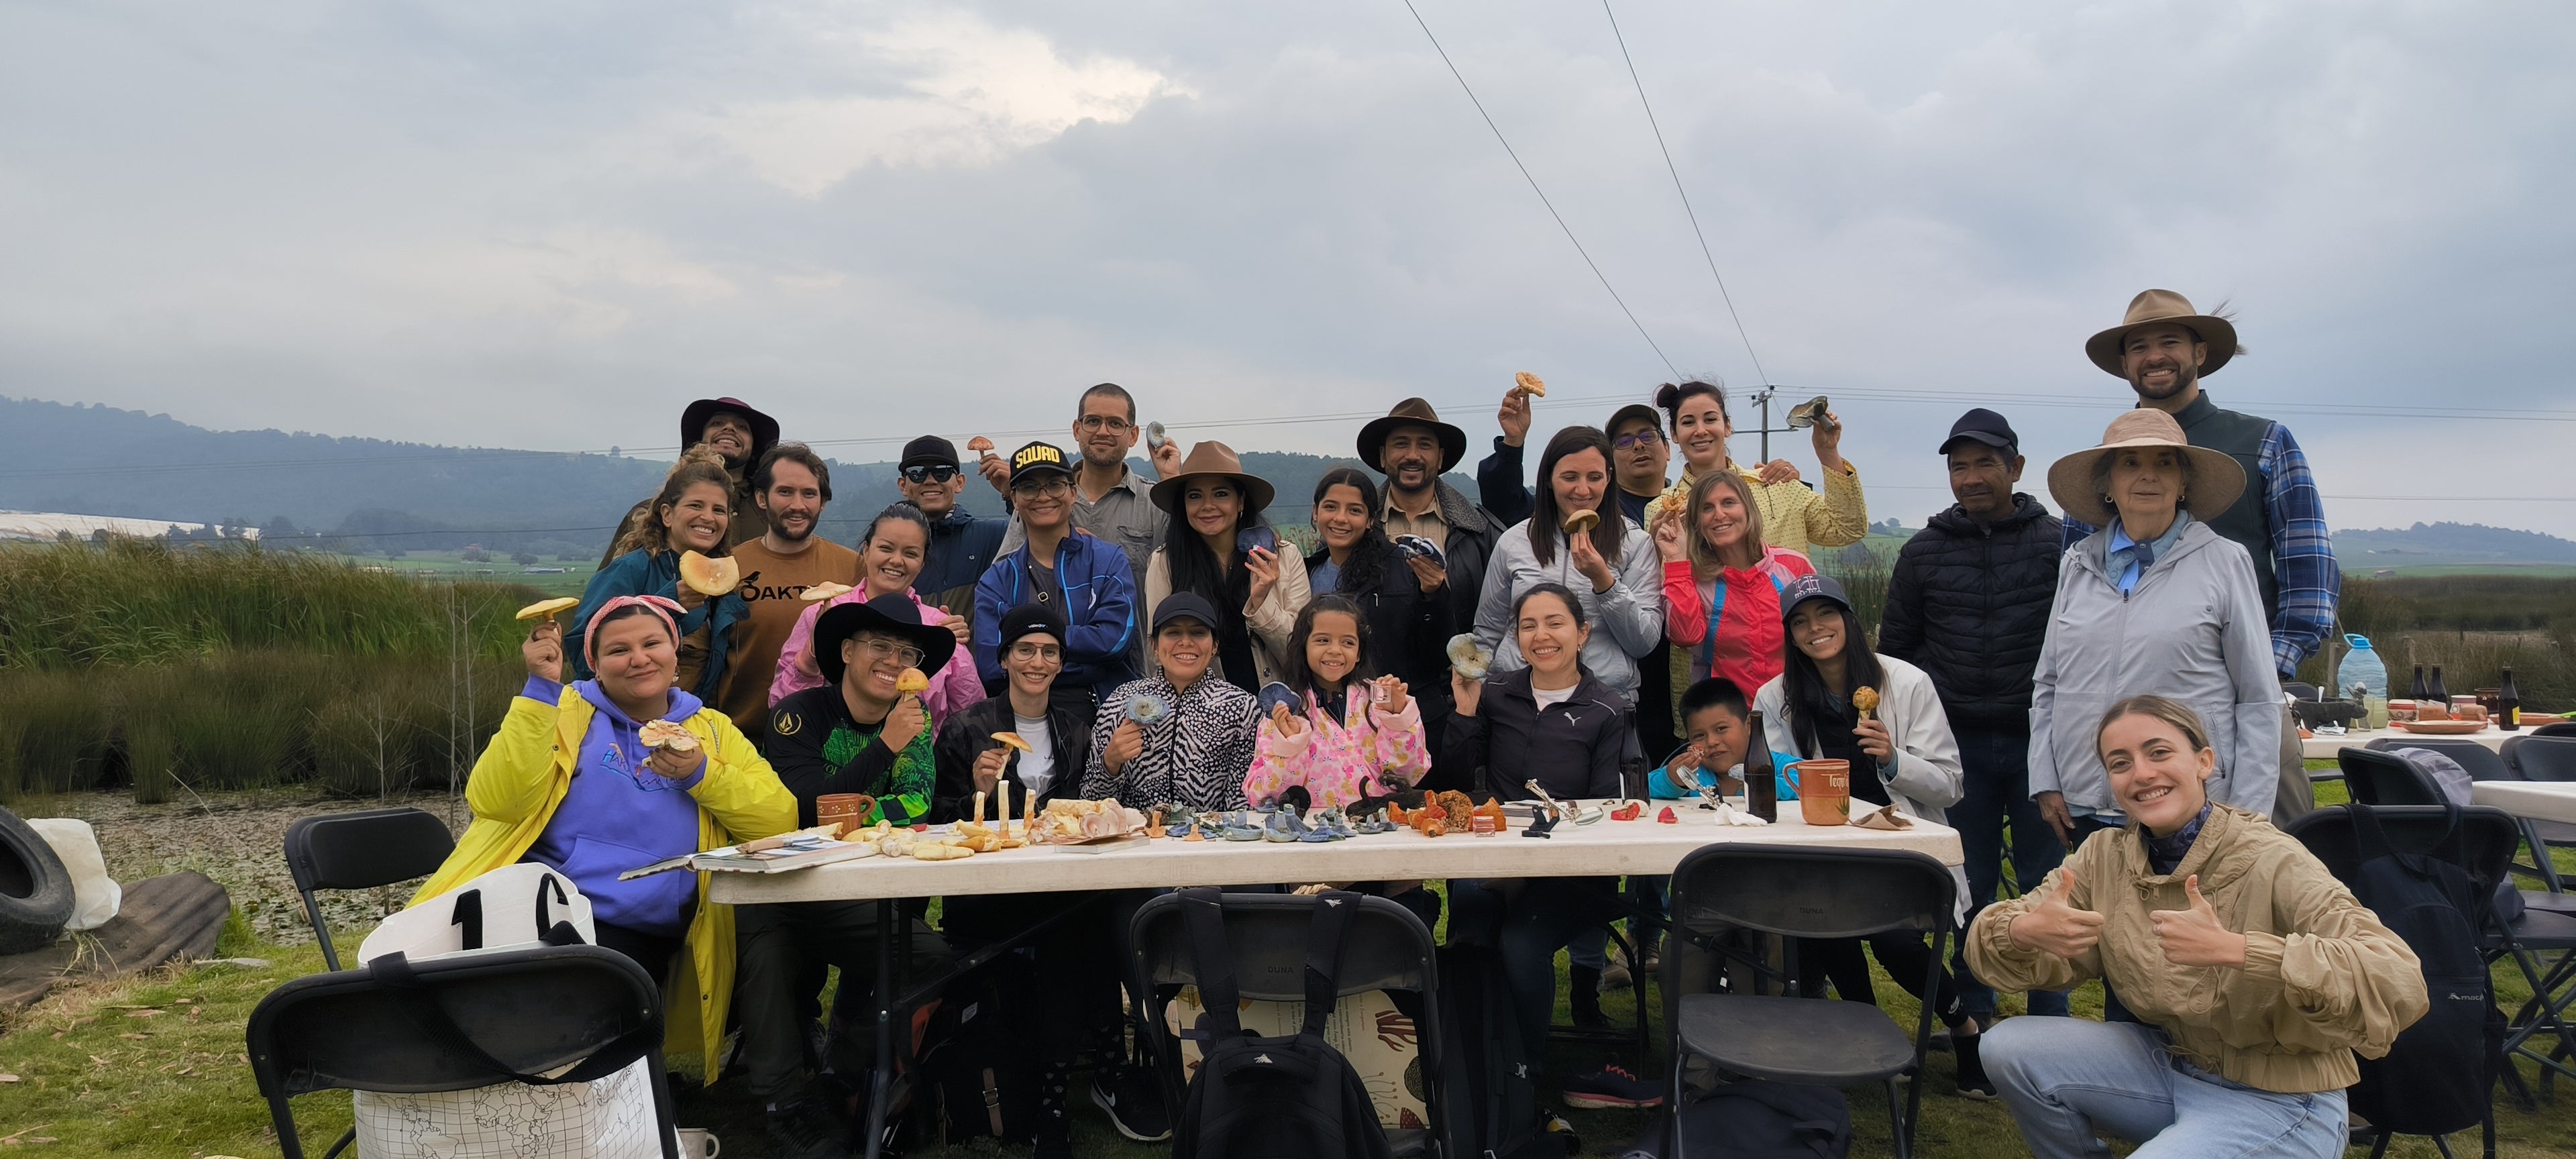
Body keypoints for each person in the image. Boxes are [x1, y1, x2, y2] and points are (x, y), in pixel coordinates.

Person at [1967, 696, 2427, 1159]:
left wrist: (2241, 950)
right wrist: (2021, 932)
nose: (2142, 773)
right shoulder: (2103, 857)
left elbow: (2397, 977)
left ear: (2204, 762)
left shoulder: (2272, 857)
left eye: (2159, 752)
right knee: (2008, 1046)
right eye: (2121, 762)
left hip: (2284, 1102)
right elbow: (1988, 941)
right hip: (2173, 1068)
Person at [410, 594, 796, 1082]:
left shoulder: (712, 731)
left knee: (770, 944)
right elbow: (497, 801)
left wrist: (702, 773)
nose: (639, 659)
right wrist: (539, 691)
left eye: (652, 643)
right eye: (618, 650)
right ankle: (583, 1096)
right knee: (576, 1001)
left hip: (655, 922)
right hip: (561, 910)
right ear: (594, 664)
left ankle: (639, 1091)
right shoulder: (563, 709)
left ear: (675, 653)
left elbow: (779, 819)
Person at [2074, 290, 2339, 823]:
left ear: (2200, 353)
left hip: (2244, 706)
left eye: (2169, 341)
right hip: (2124, 714)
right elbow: (2078, 581)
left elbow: (2309, 575)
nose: (2155, 356)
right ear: (2124, 364)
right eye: (2140, 346)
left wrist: (2261, 670)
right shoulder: (2103, 460)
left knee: (2267, 848)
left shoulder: (2264, 442)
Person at [1877, 408, 2072, 1028]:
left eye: (1985, 462)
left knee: (2051, 882)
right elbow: (1899, 654)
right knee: (1967, 881)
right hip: (1955, 746)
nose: (1970, 477)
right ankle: (1978, 1012)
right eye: (1958, 466)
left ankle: (2050, 1014)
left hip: (2043, 744)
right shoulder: (1923, 552)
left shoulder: (2060, 544)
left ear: (2016, 467)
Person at [1751, 573, 1982, 1093]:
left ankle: (1964, 1027)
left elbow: (1950, 786)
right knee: (1824, 927)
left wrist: (1894, 759)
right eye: (1801, 623)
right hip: (1823, 849)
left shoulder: (1906, 683)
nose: (1816, 630)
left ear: (1849, 621)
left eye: (1826, 615)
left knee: (1895, 940)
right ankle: (1871, 1043)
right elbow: (1776, 779)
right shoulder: (1775, 697)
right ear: (1790, 636)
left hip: (1896, 845)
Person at [748, 594, 959, 1155]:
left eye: (907, 651)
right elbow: (806, 805)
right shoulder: (798, 715)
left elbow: (918, 806)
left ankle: (840, 1072)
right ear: (846, 651)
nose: (893, 660)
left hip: (860, 896)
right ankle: (784, 1102)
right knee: (769, 953)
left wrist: (859, 808)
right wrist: (885, 749)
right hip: (791, 889)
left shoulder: (916, 720)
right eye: (879, 645)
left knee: (933, 959)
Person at [930, 603, 1140, 1157]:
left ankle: (1057, 1096)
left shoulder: (1074, 729)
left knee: (1083, 928)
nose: (1037, 660)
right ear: (1004, 658)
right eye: (1025, 649)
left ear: (1060, 664)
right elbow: (939, 821)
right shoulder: (967, 726)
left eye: (1049, 652)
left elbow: (1084, 808)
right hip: (989, 896)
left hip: (1058, 889)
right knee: (1073, 939)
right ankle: (1093, 1074)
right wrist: (976, 791)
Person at [1446, 584, 1656, 1113]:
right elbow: (1451, 779)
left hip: (1574, 874)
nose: (1542, 635)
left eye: (1555, 623)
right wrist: (1467, 715)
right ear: (1516, 638)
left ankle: (1525, 1071)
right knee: (1470, 933)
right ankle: (1469, 1060)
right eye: (1529, 625)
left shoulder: (1607, 709)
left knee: (1521, 943)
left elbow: (1614, 811)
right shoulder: (1495, 694)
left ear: (1582, 633)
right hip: (1493, 858)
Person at [2031, 409, 2280, 850]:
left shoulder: (2224, 562)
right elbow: (2049, 682)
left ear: (2184, 483)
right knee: (2090, 922)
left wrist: (2247, 815)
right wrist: (2047, 782)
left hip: (2188, 810)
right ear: (2107, 484)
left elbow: (2258, 697)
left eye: (2164, 462)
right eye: (2130, 463)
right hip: (2083, 810)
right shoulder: (2077, 563)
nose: (2148, 476)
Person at [1472, 426, 1663, 708]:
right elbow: (1487, 633)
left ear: (1609, 478)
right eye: (1570, 477)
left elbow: (1643, 642)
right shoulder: (1513, 541)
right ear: (1549, 479)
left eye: (1595, 477)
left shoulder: (1635, 542)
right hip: (1517, 702)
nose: (1583, 490)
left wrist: (1605, 583)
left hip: (1604, 704)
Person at [771, 504, 981, 726]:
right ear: (866, 550)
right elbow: (781, 710)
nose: (897, 561)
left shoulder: (940, 629)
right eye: (886, 548)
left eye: (910, 553)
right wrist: (809, 660)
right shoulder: (826, 614)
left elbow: (969, 717)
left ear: (922, 563)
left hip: (922, 758)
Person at [974, 441, 1139, 720]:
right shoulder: (996, 581)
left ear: (1073, 493)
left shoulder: (1109, 560)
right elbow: (992, 669)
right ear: (1014, 499)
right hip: (1025, 722)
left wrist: (1028, 648)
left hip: (1107, 718)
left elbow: (1114, 643)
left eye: (1054, 485)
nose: (1043, 496)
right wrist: (1086, 657)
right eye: (1028, 487)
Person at [572, 447, 749, 702]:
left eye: (719, 510)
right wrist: (665, 604)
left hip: (688, 721)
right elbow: (583, 654)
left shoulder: (723, 581)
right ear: (667, 514)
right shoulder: (630, 569)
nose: (708, 517)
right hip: (622, 721)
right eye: (696, 505)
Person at [996, 383, 1183, 614]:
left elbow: (1186, 570)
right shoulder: (1042, 501)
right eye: (1093, 421)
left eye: (1115, 424)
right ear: (1077, 429)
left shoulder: (1155, 501)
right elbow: (1002, 576)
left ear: (1133, 435)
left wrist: (1172, 481)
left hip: (1133, 647)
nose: (1103, 432)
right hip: (1051, 645)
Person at [1142, 441, 1310, 691]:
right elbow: (1158, 654)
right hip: (1204, 715)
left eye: (1221, 494)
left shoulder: (1284, 557)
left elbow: (1303, 654)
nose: (1207, 505)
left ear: (1240, 502)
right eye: (1195, 496)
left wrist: (1262, 604)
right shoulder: (1166, 562)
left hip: (1277, 713)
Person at [717, 443, 859, 733]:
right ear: (761, 498)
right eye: (785, 492)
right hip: (742, 735)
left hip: (828, 738)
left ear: (823, 502)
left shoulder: (853, 567)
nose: (798, 505)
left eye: (809, 494)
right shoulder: (729, 566)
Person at [1637, 380, 1866, 555]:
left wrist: (1828, 453)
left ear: (1728, 427)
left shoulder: (1776, 485)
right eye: (1688, 422)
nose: (1700, 430)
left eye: (1710, 419)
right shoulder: (1662, 509)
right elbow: (1657, 588)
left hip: (1785, 616)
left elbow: (1847, 530)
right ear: (1675, 434)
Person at [1244, 596, 1429, 810]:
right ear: (1303, 646)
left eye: (1348, 642)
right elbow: (1262, 795)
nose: (1335, 650)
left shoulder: (1380, 700)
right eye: (1323, 640)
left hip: (1381, 831)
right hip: (1313, 833)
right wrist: (1289, 743)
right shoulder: (1285, 710)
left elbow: (1410, 775)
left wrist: (1398, 719)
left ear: (1359, 653)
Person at [1081, 593, 1258, 812]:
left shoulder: (1241, 707)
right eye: (1173, 632)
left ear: (1215, 646)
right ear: (1155, 646)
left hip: (1210, 840)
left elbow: (1244, 805)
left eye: (1198, 632)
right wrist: (1110, 763)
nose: (1185, 641)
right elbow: (1090, 807)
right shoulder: (1120, 702)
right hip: (1138, 840)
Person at [1356, 396, 1503, 659]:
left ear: (1440, 458)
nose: (1413, 456)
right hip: (1372, 687)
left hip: (1457, 686)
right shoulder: (1355, 530)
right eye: (1401, 444)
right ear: (1382, 456)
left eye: (1425, 445)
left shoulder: (1481, 533)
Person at [1656, 469, 1817, 696]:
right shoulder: (1692, 579)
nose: (1719, 515)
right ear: (1697, 523)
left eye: (1729, 503)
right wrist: (1675, 560)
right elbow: (1685, 637)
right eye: (1707, 508)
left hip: (1799, 708)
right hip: (1730, 717)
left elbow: (1823, 633)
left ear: (1748, 509)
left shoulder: (1793, 566)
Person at [1306, 467, 1454, 710]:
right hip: (1329, 716)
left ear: (1370, 520)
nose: (1340, 518)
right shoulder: (1308, 571)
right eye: (1331, 507)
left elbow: (1437, 655)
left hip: (1394, 714)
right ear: (1315, 511)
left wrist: (1433, 593)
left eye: (1354, 510)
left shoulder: (1404, 567)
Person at [598, 396, 781, 567]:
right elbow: (609, 591)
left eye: (742, 427)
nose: (729, 428)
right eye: (717, 423)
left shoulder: (772, 514)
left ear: (754, 448)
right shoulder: (646, 514)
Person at [896, 435, 1011, 626]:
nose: (930, 480)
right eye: (917, 472)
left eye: (942, 472)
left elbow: (1044, 543)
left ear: (959, 483)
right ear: (903, 486)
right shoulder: (889, 549)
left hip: (975, 656)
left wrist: (1013, 492)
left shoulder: (992, 536)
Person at [1644, 676, 1800, 802]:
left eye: (1721, 729)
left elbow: (1812, 779)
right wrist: (1672, 780)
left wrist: (1765, 785)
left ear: (1749, 726)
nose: (1712, 742)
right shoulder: (1693, 774)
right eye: (1699, 735)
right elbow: (1643, 787)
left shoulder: (1771, 763)